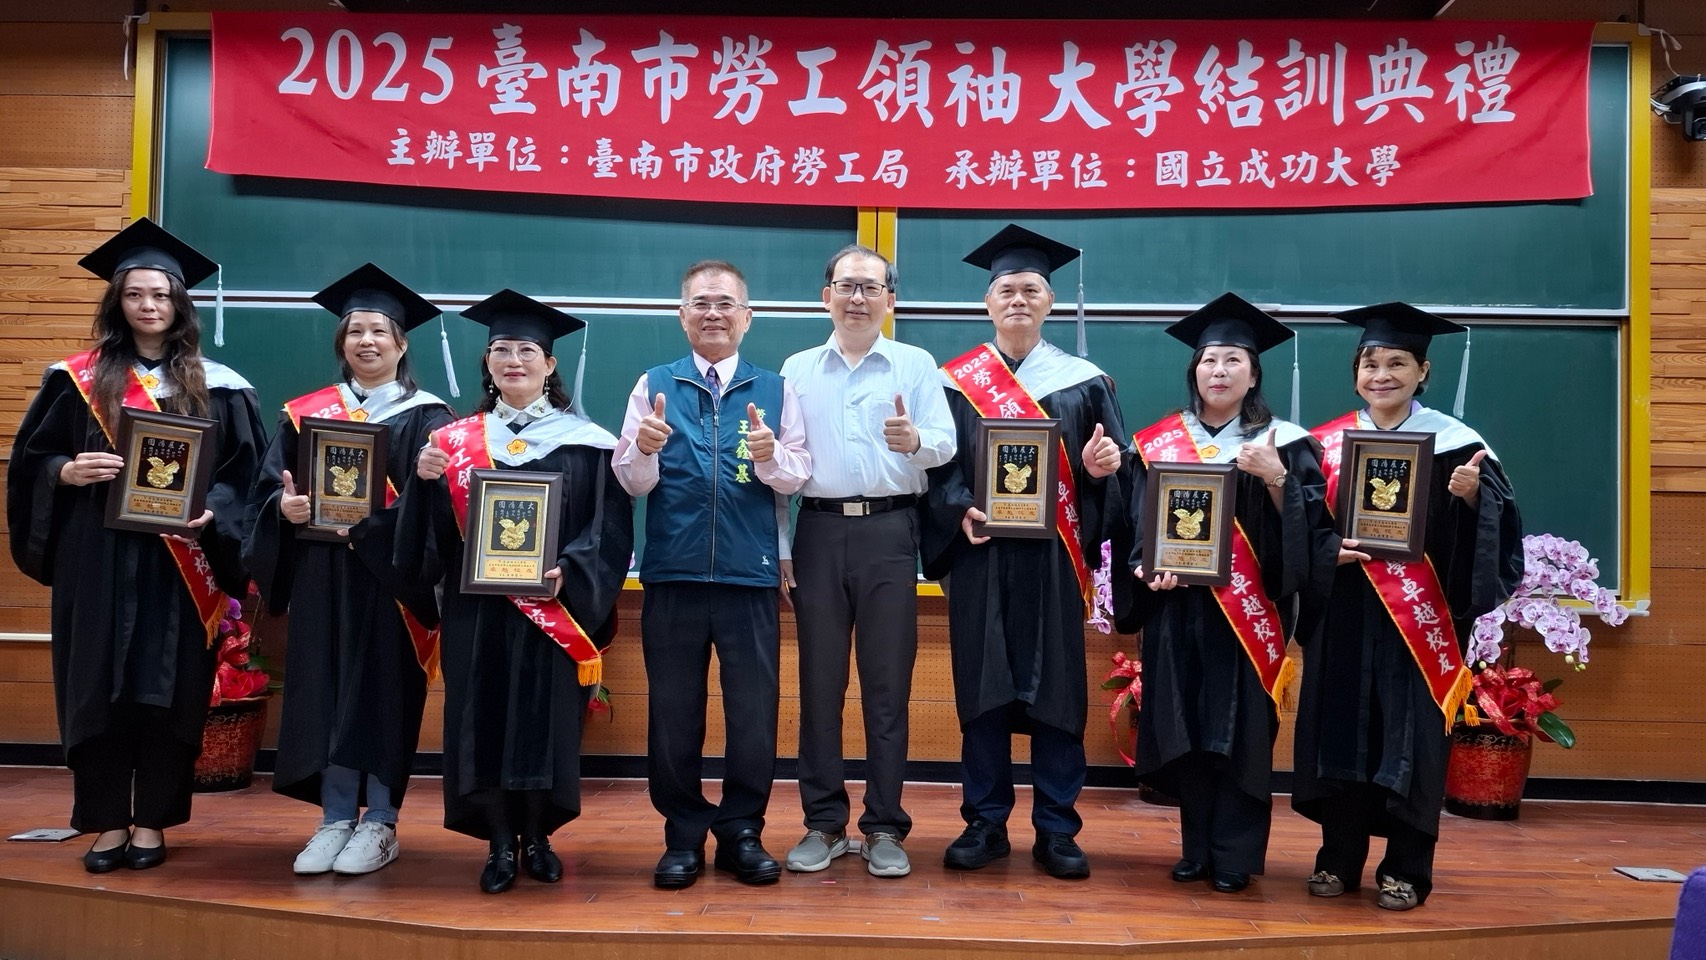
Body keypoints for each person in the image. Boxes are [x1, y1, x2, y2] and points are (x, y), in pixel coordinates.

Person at [7, 218, 265, 873]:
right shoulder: (75, 380)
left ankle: (151, 821)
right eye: (135, 294)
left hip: (180, 565)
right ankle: (105, 822)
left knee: (169, 693)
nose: (149, 306)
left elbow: (247, 478)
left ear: (180, 303)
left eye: (161, 294)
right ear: (117, 301)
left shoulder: (221, 386)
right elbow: (32, 461)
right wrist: (66, 471)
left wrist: (215, 511)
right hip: (95, 557)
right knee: (96, 691)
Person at [360, 289, 633, 894]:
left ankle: (538, 836)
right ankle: (499, 843)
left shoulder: (588, 442)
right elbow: (426, 539)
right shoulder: (452, 442)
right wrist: (425, 483)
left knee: (544, 720)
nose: (514, 360)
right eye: (502, 349)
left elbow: (607, 529)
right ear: (487, 361)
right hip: (476, 613)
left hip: (550, 609)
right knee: (481, 718)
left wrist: (570, 568)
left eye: (527, 350)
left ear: (549, 363)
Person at [1291, 303, 1522, 911]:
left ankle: (1407, 868)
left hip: (1419, 621)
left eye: (1397, 363)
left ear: (1423, 371)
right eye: (1370, 364)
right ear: (1355, 374)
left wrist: (1472, 500)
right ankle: (1338, 857)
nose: (1382, 375)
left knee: (1411, 738)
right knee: (1342, 732)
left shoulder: (1460, 446)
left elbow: (1496, 539)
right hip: (1346, 613)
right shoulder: (1325, 445)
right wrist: (1327, 552)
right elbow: (1301, 528)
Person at [920, 224, 1127, 881]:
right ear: (987, 301)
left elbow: (1113, 475)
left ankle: (1057, 828)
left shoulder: (1085, 383)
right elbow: (937, 470)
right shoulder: (954, 383)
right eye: (1006, 289)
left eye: (1030, 289)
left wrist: (1097, 471)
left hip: (1055, 561)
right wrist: (959, 508)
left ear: (1050, 301)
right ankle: (984, 822)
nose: (1018, 299)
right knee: (983, 689)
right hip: (981, 556)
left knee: (1057, 692)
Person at [242, 263, 454, 876]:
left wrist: (383, 522)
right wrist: (283, 510)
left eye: (379, 331)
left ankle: (380, 821)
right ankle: (335, 818)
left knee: (382, 693)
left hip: (390, 582)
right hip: (321, 576)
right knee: (325, 691)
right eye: (355, 331)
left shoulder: (429, 417)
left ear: (401, 344)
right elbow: (268, 491)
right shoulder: (303, 415)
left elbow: (443, 508)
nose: (366, 341)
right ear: (341, 343)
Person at [1124, 293, 1332, 895]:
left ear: (1254, 374)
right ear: (1194, 370)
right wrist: (1143, 567)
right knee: (1188, 726)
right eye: (1209, 360)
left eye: (1233, 360)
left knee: (1240, 733)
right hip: (1177, 609)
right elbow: (1138, 524)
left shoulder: (1284, 443)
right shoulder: (1159, 443)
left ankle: (1236, 853)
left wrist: (1276, 479)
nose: (1219, 370)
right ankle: (1195, 849)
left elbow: (1312, 529)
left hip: (1248, 613)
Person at [613, 259, 810, 889]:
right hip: (672, 573)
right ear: (683, 316)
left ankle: (742, 831)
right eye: (701, 303)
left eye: (725, 303)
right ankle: (683, 834)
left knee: (754, 713)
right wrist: (643, 448)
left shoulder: (776, 389)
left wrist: (770, 457)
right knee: (674, 713)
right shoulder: (653, 384)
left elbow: (797, 477)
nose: (713, 313)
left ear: (747, 317)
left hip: (750, 575)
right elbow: (631, 482)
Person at [777, 245, 955, 879]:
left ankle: (884, 825)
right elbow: (783, 466)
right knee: (819, 687)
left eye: (871, 288)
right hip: (819, 532)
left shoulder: (916, 364)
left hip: (890, 532)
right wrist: (781, 547)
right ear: (826, 295)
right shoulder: (796, 369)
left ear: (890, 299)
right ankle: (824, 823)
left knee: (887, 687)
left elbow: (945, 443)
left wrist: (917, 441)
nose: (858, 298)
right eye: (847, 286)